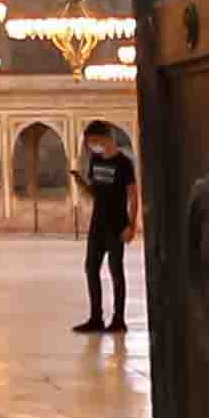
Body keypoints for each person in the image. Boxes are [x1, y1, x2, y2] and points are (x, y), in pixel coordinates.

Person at [76, 120, 135, 333]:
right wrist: (81, 184)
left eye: (92, 141)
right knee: (91, 268)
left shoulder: (124, 163)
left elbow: (133, 195)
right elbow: (95, 192)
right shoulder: (95, 159)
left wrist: (131, 225)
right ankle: (96, 318)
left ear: (104, 138)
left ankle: (119, 320)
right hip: (97, 224)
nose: (91, 146)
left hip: (116, 223)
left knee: (115, 270)